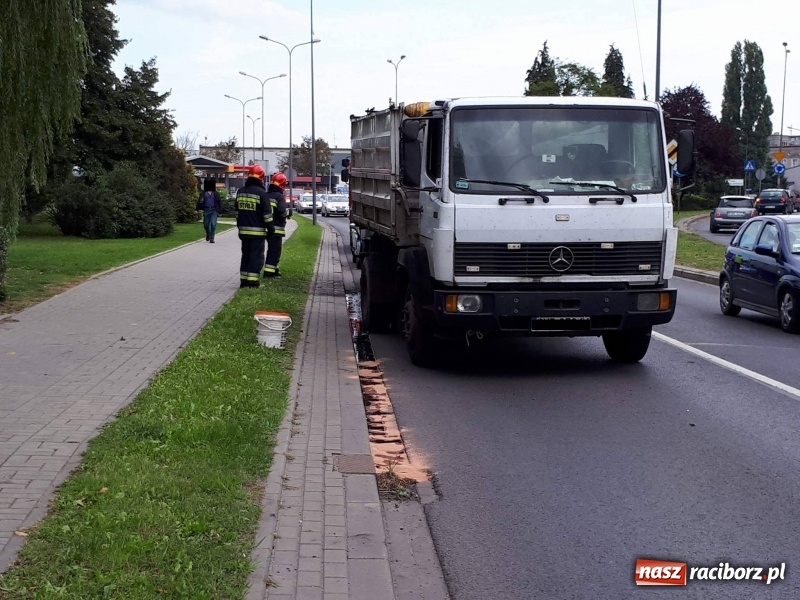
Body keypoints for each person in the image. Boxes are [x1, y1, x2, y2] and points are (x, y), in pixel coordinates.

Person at [236, 165, 273, 288]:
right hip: (257, 233)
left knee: (245, 255)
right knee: (256, 256)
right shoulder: (262, 193)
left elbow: (237, 212)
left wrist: (239, 227)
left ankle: (243, 281)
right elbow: (267, 214)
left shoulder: (240, 191)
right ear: (261, 178)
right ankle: (253, 282)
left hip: (243, 231)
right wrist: (271, 229)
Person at [263, 172, 290, 278]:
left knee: (270, 250)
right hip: (277, 229)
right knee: (274, 251)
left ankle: (274, 269)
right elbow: (282, 212)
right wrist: (288, 213)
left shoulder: (266, 195)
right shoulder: (280, 197)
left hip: (265, 227)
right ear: (282, 185)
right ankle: (269, 272)